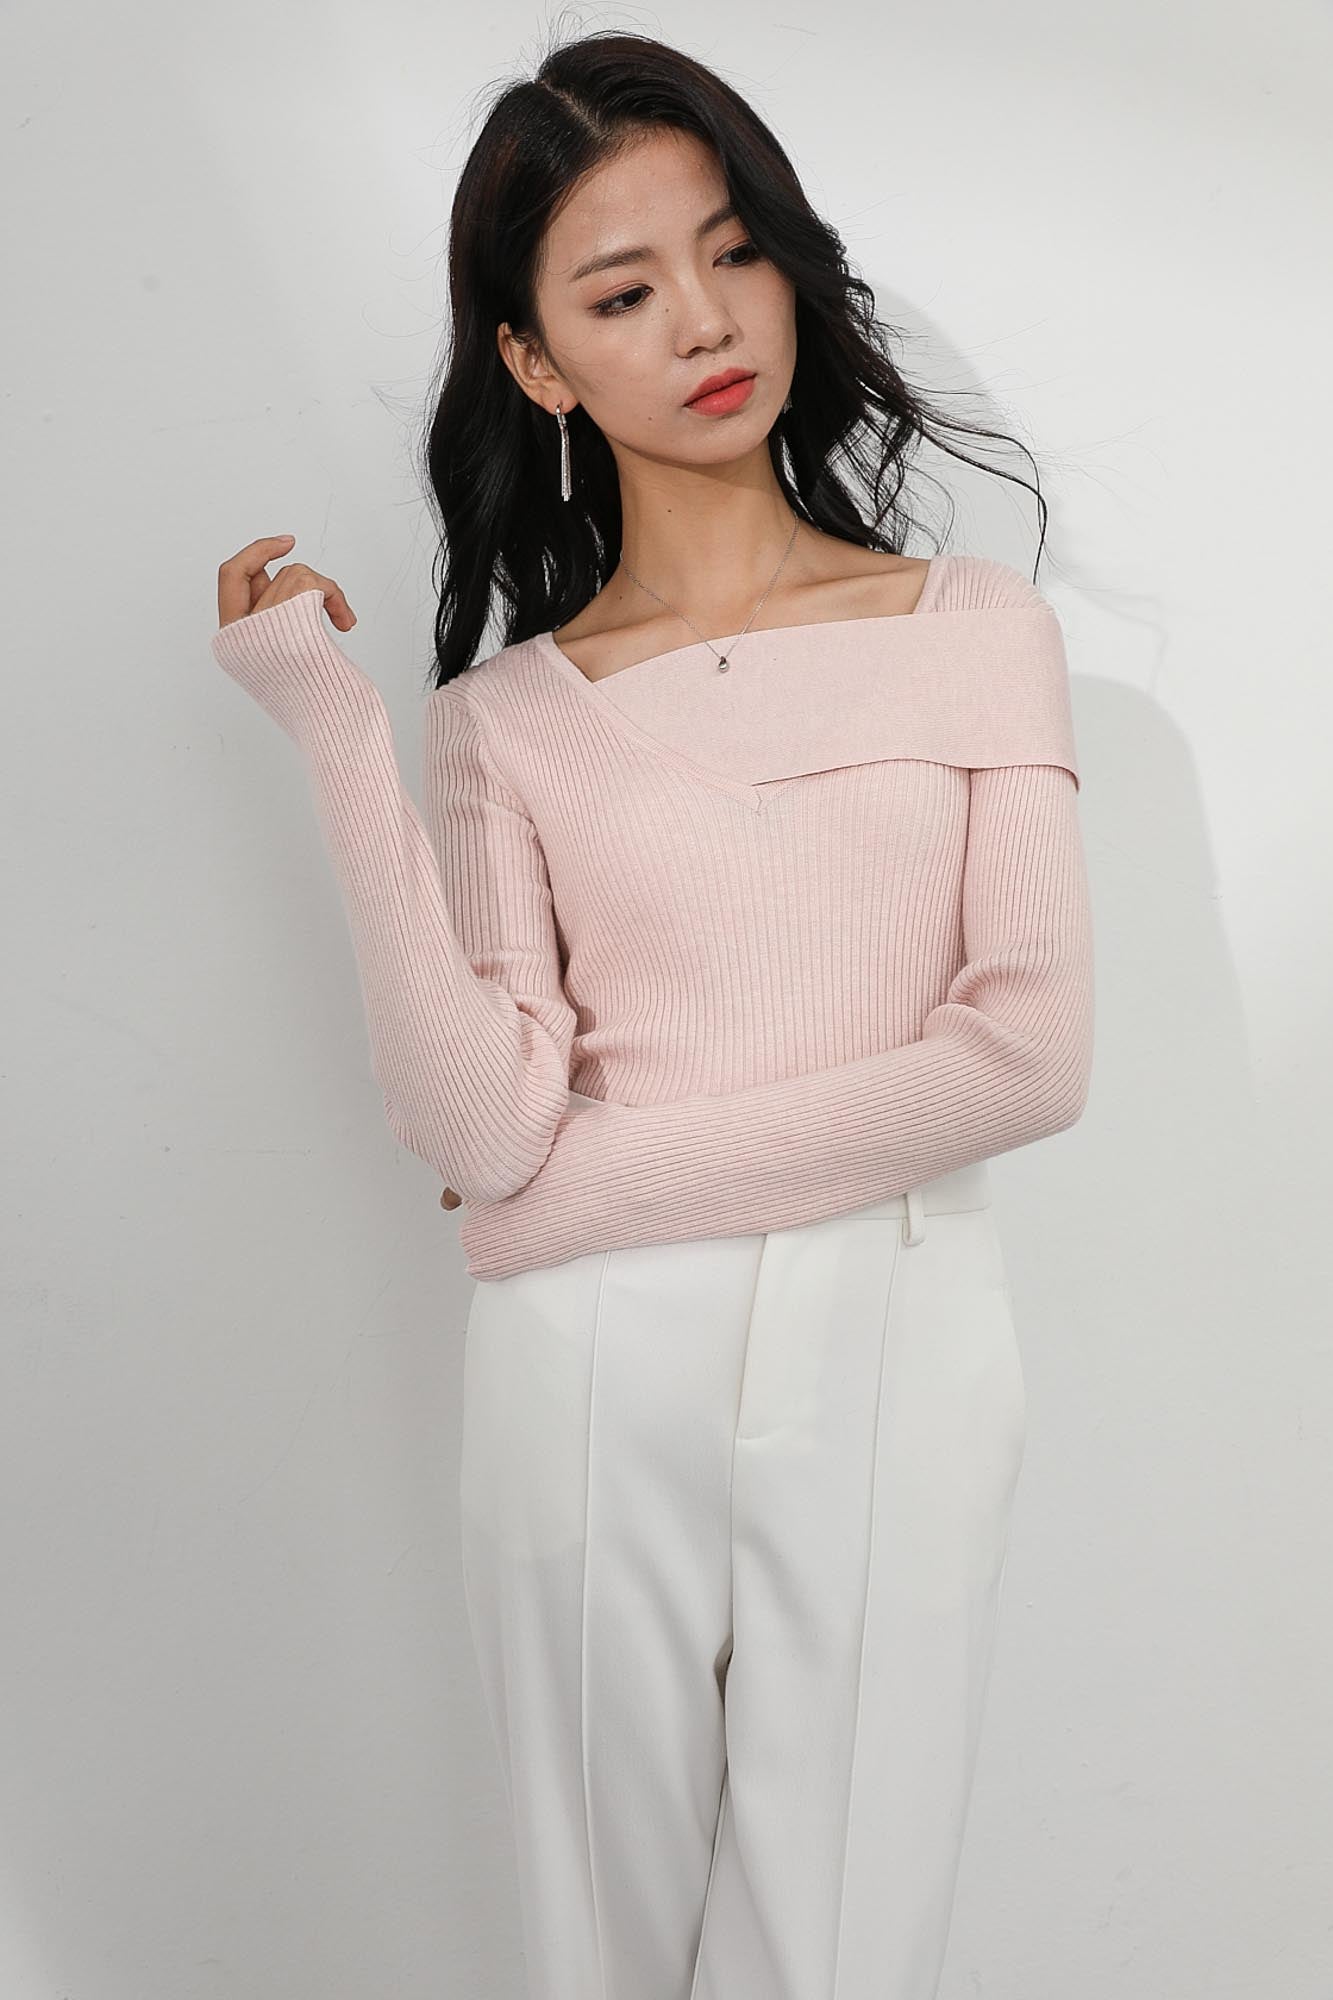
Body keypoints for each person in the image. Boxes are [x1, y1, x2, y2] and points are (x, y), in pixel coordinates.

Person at [211, 30, 1094, 2000]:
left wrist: (575, 1201)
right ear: (535, 363)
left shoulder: (971, 631)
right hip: (589, 1357)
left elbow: (1028, 1054)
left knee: (841, 1947)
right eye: (621, 293)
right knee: (593, 1948)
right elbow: (481, 1127)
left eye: (734, 252)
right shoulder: (506, 723)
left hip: (896, 1319)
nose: (703, 321)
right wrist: (337, 730)